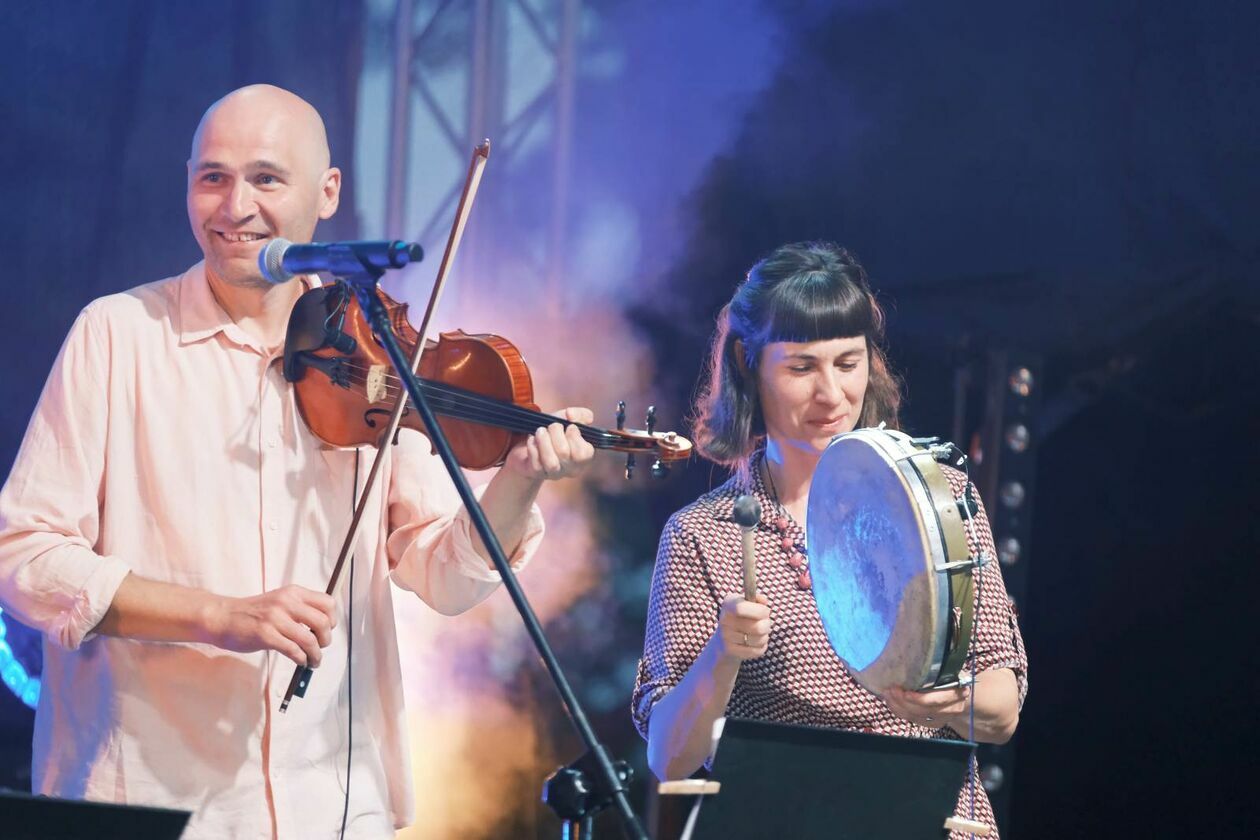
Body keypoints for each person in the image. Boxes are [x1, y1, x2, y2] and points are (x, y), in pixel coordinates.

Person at [0, 84, 595, 838]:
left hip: (333, 807)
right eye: (212, 177)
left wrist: (518, 481)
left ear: (328, 193)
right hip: (153, 797)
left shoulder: (376, 354)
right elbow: (23, 555)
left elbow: (444, 576)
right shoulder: (118, 335)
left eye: (266, 179)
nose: (234, 206)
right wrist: (220, 615)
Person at [632, 242, 1027, 837]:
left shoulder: (938, 497)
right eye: (801, 368)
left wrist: (944, 704)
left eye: (848, 363)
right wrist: (722, 654)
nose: (832, 395)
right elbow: (671, 757)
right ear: (748, 363)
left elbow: (1001, 708)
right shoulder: (703, 536)